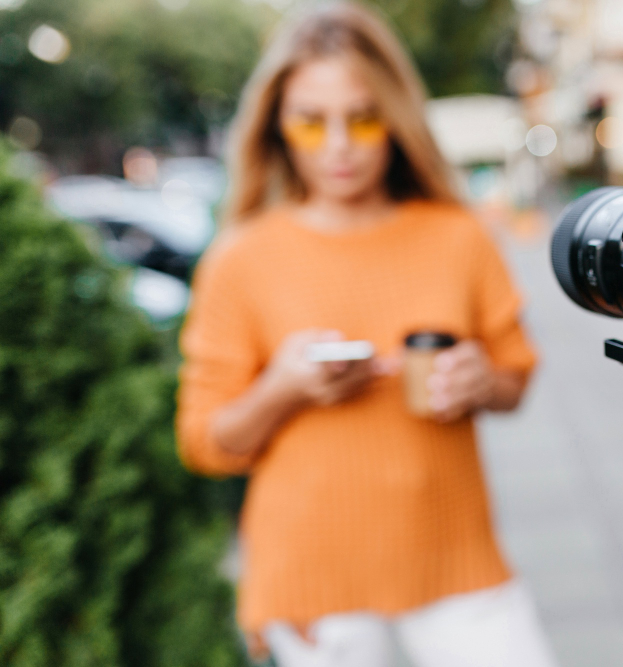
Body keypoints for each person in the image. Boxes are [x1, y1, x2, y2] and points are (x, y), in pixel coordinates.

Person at [175, 4, 557, 667]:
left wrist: (482, 381)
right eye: (310, 121)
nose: (338, 145)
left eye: (363, 117)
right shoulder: (240, 259)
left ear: (397, 116)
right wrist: (283, 388)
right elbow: (205, 442)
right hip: (312, 586)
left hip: (457, 562)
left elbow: (515, 378)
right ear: (277, 125)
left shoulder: (459, 236)